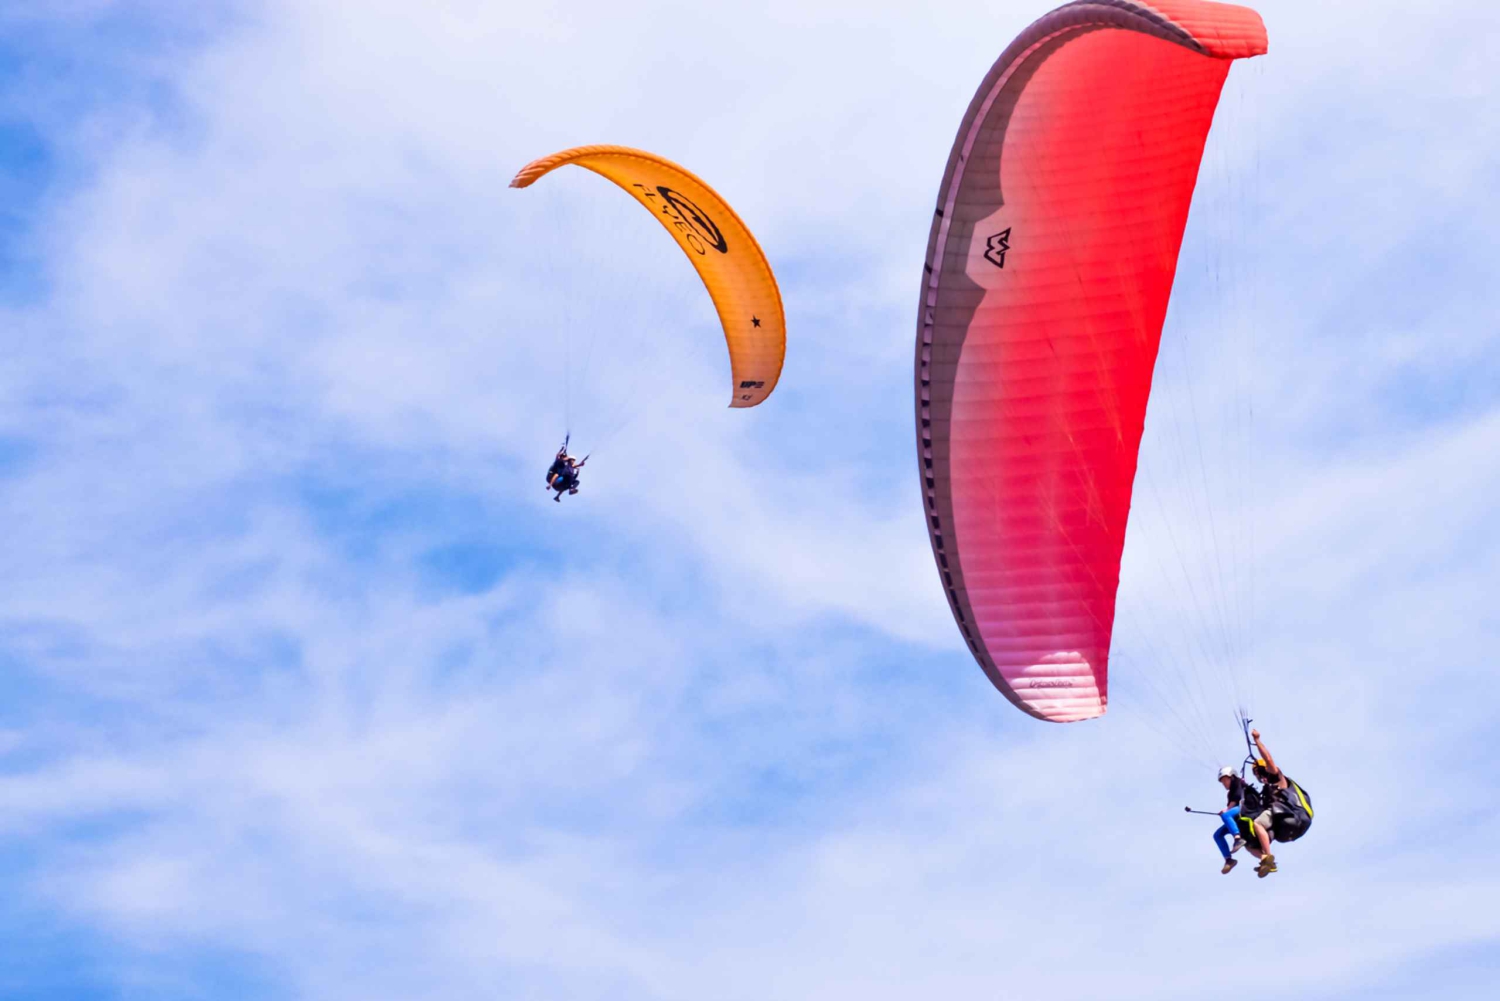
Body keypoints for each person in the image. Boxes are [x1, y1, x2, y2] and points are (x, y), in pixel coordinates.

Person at [1213, 766, 1248, 873]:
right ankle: (1228, 860)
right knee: (1217, 835)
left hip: (1245, 808)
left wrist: (1226, 810)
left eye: (1225, 780)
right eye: (1222, 782)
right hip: (1236, 815)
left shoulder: (1238, 783)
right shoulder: (1230, 793)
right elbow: (1230, 805)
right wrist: (1226, 810)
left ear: (1232, 777)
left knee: (1226, 815)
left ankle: (1238, 839)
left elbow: (1237, 798)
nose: (1224, 784)